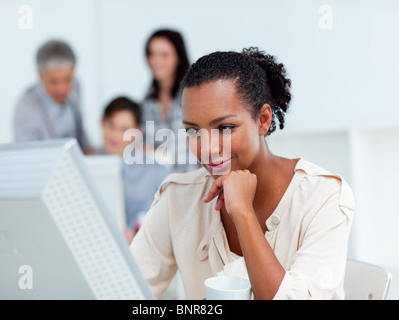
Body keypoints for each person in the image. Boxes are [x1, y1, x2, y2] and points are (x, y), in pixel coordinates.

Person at [130, 47, 355, 300]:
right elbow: (124, 290)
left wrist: (243, 213)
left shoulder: (323, 196)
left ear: (262, 120)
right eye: (193, 131)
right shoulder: (179, 198)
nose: (208, 148)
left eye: (225, 127)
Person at [100, 96, 170, 243]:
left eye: (124, 130)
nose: (115, 135)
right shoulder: (83, 166)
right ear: (102, 123)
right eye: (111, 126)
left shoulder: (156, 172)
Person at [13, 39, 93, 154]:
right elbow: (27, 157)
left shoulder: (76, 87)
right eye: (53, 82)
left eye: (68, 79)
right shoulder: (26, 109)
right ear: (40, 76)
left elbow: (80, 134)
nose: (62, 89)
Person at [142, 29, 198, 172]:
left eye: (164, 55)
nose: (156, 61)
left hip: (194, 180)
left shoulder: (193, 96)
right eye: (151, 54)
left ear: (178, 57)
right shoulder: (148, 102)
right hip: (163, 184)